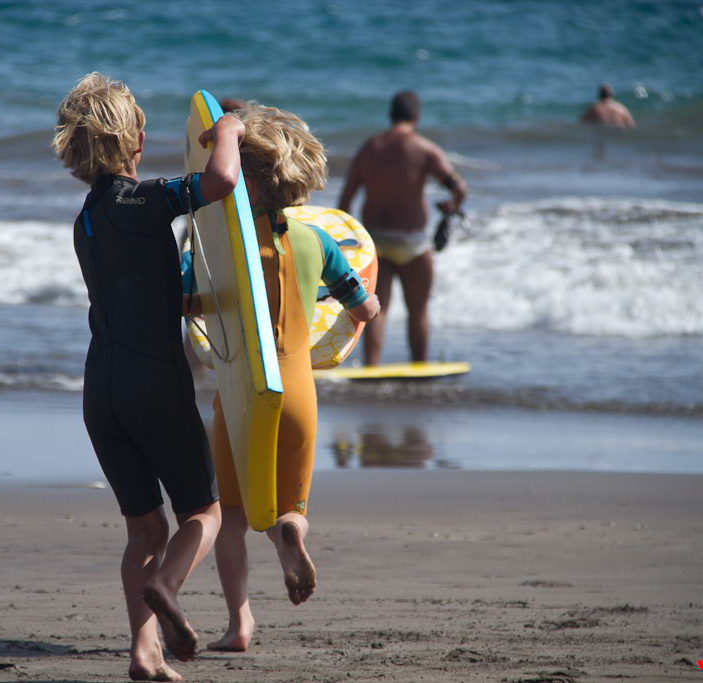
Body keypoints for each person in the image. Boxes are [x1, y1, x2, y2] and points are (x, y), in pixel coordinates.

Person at [52, 72, 245, 682]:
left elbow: (132, 291)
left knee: (144, 529)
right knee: (204, 514)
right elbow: (221, 181)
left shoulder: (86, 219)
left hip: (101, 391)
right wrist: (229, 130)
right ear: (132, 139)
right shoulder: (143, 200)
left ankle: (144, 650)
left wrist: (193, 302)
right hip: (154, 383)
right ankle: (167, 585)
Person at [199, 102, 381, 653]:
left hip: (240, 400)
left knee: (232, 518)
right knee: (291, 507)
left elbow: (189, 307)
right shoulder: (317, 242)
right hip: (297, 396)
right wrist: (366, 303)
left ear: (246, 182)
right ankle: (290, 533)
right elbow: (362, 307)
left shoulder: (221, 250)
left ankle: (239, 624)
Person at [338, 90, 466, 365]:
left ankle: (371, 370)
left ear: (390, 115)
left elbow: (345, 201)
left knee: (377, 309)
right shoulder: (424, 149)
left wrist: (347, 244)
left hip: (376, 240)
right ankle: (419, 369)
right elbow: (459, 188)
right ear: (416, 117)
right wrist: (449, 210)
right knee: (418, 311)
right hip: (412, 242)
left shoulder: (369, 148)